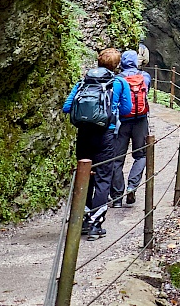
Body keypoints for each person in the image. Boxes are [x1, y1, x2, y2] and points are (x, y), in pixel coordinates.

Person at [63, 48, 132, 241]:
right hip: (105, 135)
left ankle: (82, 221)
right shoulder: (119, 82)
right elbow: (127, 110)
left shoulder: (83, 82)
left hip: (84, 135)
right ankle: (95, 225)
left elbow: (67, 107)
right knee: (103, 177)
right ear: (117, 65)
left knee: (85, 175)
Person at [110, 49, 152, 206]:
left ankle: (116, 198)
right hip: (140, 121)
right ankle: (132, 186)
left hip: (121, 122)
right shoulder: (145, 77)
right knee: (141, 155)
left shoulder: (117, 79)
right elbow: (147, 91)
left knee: (116, 159)